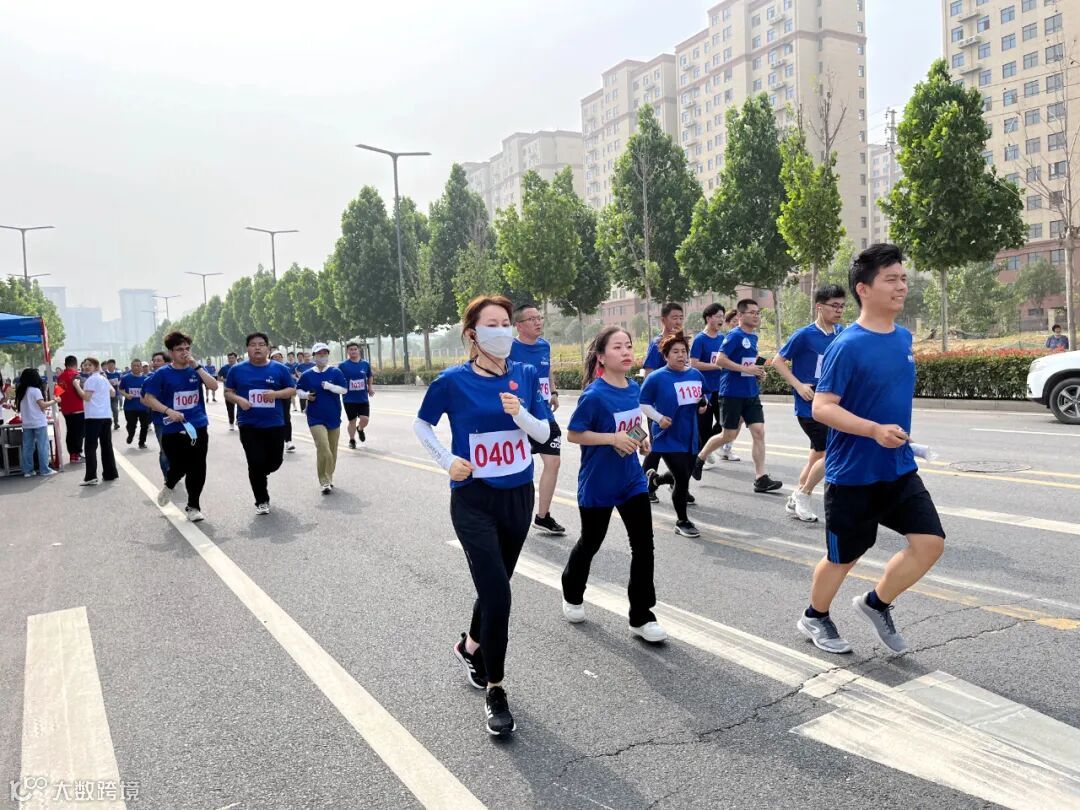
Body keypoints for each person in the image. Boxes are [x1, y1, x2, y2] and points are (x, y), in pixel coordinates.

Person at [798, 243, 946, 656]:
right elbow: (822, 407)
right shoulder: (847, 345)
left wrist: (892, 434)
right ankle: (814, 616)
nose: (902, 286)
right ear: (863, 289)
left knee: (930, 543)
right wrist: (874, 430)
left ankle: (876, 603)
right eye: (891, 279)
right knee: (844, 557)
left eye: (903, 278)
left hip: (897, 467)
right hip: (853, 473)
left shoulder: (903, 337)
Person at [413, 295, 551, 737]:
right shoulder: (452, 382)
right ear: (473, 334)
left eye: (506, 322)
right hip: (473, 499)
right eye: (492, 324)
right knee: (499, 596)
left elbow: (546, 432)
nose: (503, 330)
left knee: (497, 584)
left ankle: (469, 646)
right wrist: (445, 460)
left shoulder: (525, 375)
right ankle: (495, 688)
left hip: (518, 496)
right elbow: (421, 424)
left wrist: (521, 413)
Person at [563, 326, 667, 644]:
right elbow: (574, 434)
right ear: (601, 357)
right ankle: (572, 592)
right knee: (591, 542)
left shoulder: (634, 387)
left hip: (631, 480)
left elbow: (632, 425)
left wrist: (640, 439)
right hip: (599, 483)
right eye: (617, 347)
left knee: (644, 546)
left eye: (629, 346)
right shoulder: (594, 395)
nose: (625, 352)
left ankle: (641, 616)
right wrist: (612, 439)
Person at [771, 285, 847, 523]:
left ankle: (796, 498)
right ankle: (804, 495)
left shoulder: (841, 333)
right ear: (819, 307)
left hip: (832, 403)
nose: (839, 310)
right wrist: (798, 385)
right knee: (832, 452)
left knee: (817, 456)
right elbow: (777, 361)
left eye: (842, 306)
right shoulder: (804, 335)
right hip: (809, 405)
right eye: (834, 306)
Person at [693, 299, 782, 494]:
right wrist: (746, 369)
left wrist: (758, 372)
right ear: (740, 316)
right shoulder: (734, 335)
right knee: (728, 435)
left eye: (758, 313)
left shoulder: (754, 337)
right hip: (731, 393)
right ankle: (700, 458)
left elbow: (748, 363)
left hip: (751, 393)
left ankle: (761, 478)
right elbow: (720, 360)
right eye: (752, 312)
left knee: (759, 432)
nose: (756, 316)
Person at [142, 331, 219, 522]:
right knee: (179, 465)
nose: (184, 352)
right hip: (172, 428)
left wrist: (197, 367)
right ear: (171, 352)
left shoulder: (196, 370)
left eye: (187, 348)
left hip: (197, 425)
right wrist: (168, 411)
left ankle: (193, 506)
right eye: (179, 349)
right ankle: (169, 484)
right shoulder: (162, 374)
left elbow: (214, 386)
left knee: (198, 467)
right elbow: (148, 398)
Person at [641, 333, 708, 538]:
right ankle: (682, 521)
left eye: (683, 351)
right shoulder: (656, 378)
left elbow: (703, 397)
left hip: (690, 434)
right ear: (666, 356)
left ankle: (655, 480)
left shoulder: (695, 374)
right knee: (681, 479)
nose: (681, 355)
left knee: (685, 474)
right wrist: (659, 417)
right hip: (667, 436)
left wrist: (703, 405)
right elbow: (643, 403)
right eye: (675, 352)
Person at [225, 333, 296, 514]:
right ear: (247, 348)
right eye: (253, 344)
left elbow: (291, 390)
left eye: (261, 344)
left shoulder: (280, 369)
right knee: (255, 462)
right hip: (248, 424)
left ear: (268, 348)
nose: (257, 348)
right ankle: (261, 500)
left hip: (275, 423)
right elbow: (228, 392)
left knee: (275, 462)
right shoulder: (237, 370)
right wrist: (239, 400)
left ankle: (259, 473)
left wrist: (275, 394)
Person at [509, 303, 564, 535]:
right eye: (531, 319)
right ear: (519, 326)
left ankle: (542, 516)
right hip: (518, 415)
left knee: (553, 461)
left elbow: (547, 370)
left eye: (539, 317)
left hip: (543, 413)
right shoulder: (509, 347)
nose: (538, 322)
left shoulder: (544, 345)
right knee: (517, 466)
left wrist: (553, 391)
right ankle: (509, 514)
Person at [640, 302, 697, 505]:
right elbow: (648, 373)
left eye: (681, 317)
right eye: (674, 317)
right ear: (663, 320)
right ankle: (645, 486)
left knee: (686, 448)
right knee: (657, 447)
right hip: (660, 408)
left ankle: (677, 483)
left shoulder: (682, 343)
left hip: (682, 407)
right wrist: (654, 408)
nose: (678, 321)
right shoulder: (657, 344)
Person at [296, 343, 348, 494]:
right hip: (315, 417)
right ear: (314, 356)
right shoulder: (307, 375)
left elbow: (344, 390)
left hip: (333, 415)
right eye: (319, 354)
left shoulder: (335, 372)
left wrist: (330, 387)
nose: (323, 356)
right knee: (323, 447)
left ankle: (329, 477)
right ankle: (324, 480)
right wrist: (306, 396)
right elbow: (298, 390)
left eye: (325, 353)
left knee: (332, 449)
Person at [689, 303, 728, 464]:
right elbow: (694, 363)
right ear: (708, 318)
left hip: (721, 388)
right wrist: (716, 366)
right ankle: (702, 455)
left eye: (722, 317)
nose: (721, 320)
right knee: (704, 425)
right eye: (718, 316)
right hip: (704, 389)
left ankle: (706, 447)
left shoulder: (723, 339)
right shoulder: (700, 339)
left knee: (723, 423)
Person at [72, 357, 117, 486]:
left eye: (89, 365)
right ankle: (110, 473)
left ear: (96, 367)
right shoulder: (103, 379)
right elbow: (113, 393)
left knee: (90, 447)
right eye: (85, 365)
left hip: (93, 417)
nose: (86, 367)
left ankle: (91, 477)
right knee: (106, 445)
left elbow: (86, 397)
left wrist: (76, 385)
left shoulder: (91, 380)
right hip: (106, 416)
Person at [15, 368, 57, 477]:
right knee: (42, 446)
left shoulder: (21, 391)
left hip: (26, 423)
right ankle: (44, 470)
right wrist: (55, 401)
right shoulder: (35, 390)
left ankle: (28, 471)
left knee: (28, 447)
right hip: (38, 422)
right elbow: (42, 405)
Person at [338, 342, 375, 449]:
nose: (353, 351)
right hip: (348, 399)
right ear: (347, 351)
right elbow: (337, 378)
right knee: (352, 421)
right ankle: (352, 440)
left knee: (365, 419)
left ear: (358, 350)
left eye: (355, 349)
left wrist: (370, 387)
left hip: (362, 398)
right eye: (351, 349)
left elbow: (369, 376)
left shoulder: (365, 364)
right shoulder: (343, 365)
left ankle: (360, 429)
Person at [144, 352, 170, 479]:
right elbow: (143, 399)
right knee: (164, 450)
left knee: (178, 449)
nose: (155, 363)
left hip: (178, 420)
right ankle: (167, 476)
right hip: (160, 421)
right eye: (154, 360)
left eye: (159, 360)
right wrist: (153, 404)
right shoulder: (149, 380)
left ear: (166, 362)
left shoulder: (174, 377)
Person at [57, 355, 85, 464]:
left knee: (70, 431)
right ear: (75, 364)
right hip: (77, 408)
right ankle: (76, 455)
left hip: (65, 409)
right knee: (78, 432)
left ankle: (72, 454)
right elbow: (82, 391)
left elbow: (58, 393)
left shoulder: (60, 377)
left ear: (65, 364)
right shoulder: (76, 376)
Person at [119, 359, 151, 449]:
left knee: (144, 426)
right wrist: (126, 395)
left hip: (143, 407)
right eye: (134, 366)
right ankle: (131, 434)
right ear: (131, 366)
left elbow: (149, 392)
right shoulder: (125, 378)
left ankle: (142, 442)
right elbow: (120, 389)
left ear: (141, 367)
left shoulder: (146, 379)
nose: (136, 367)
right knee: (131, 425)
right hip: (130, 407)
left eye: (138, 366)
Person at [270, 350, 296, 452]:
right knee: (272, 419)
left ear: (282, 358)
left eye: (279, 357)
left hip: (284, 397)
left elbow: (291, 385)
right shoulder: (267, 370)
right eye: (274, 357)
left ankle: (288, 441)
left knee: (286, 418)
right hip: (270, 399)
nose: (277, 358)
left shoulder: (286, 369)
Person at [217, 352, 240, 430]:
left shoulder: (240, 367)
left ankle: (238, 420)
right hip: (228, 391)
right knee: (230, 408)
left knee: (240, 406)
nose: (231, 360)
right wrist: (224, 380)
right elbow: (218, 377)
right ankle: (231, 423)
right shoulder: (224, 368)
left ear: (236, 358)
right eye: (229, 358)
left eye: (232, 358)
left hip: (239, 390)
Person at [103, 359, 122, 430]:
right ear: (107, 366)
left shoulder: (117, 374)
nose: (111, 367)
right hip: (106, 396)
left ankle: (116, 423)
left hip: (115, 395)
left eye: (112, 365)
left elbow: (120, 382)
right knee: (107, 411)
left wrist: (118, 383)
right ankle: (107, 425)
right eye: (109, 365)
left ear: (114, 366)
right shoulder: (104, 374)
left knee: (115, 409)